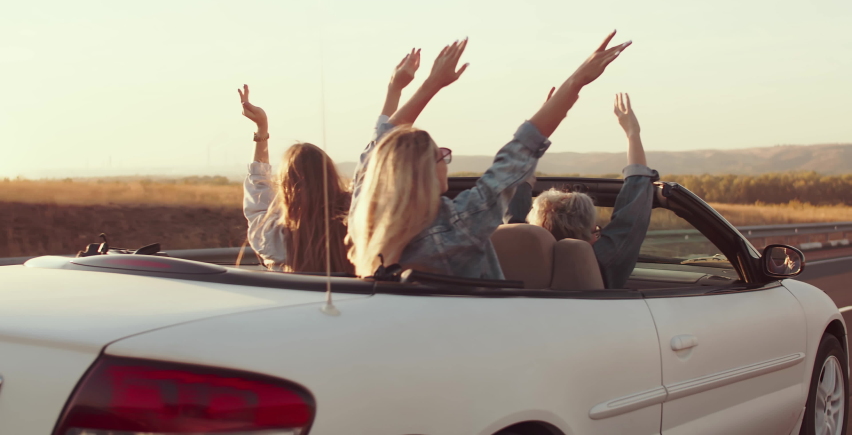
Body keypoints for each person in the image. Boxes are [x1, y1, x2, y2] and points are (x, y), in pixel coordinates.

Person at [347, 32, 632, 278]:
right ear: (423, 174)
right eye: (440, 156)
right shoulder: (456, 228)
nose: (446, 162)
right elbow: (519, 153)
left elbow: (379, 150)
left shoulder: (363, 222)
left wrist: (424, 85)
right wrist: (577, 81)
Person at [240, 51, 421, 273]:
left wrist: (262, 129)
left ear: (285, 187)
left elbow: (258, 185)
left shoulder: (269, 237)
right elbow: (378, 152)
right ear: (330, 175)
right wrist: (395, 89)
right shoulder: (354, 220)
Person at [524, 93, 659, 289]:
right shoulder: (603, 262)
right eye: (596, 231)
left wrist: (543, 123)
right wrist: (632, 132)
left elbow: (516, 184)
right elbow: (634, 208)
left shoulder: (517, 255)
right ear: (587, 235)